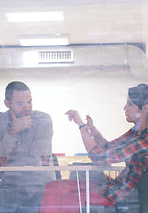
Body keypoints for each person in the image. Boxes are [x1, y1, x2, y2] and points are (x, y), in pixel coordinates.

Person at [41, 83, 148, 213]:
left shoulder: (144, 140)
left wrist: (81, 126)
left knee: (64, 197)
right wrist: (93, 131)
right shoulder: (136, 132)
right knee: (53, 187)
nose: (125, 108)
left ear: (145, 108)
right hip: (113, 188)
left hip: (118, 196)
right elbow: (108, 147)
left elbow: (99, 157)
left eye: (130, 104)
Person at [0, 81, 54, 213]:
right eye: (20, 103)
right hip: (11, 187)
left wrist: (2, 169)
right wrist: (13, 131)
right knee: (0, 201)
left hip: (41, 185)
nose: (26, 107)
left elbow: (36, 160)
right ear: (7, 104)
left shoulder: (43, 120)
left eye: (29, 102)